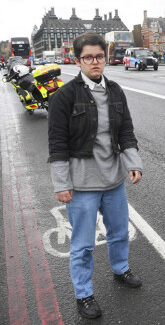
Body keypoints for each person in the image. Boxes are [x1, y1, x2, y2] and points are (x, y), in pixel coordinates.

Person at [48, 31, 143, 319]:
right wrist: (61, 183)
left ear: (105, 58)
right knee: (83, 243)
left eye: (99, 56)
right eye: (88, 57)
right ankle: (84, 294)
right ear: (78, 60)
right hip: (82, 183)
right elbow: (58, 143)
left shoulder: (115, 90)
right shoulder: (64, 97)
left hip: (113, 179)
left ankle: (120, 268)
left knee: (118, 232)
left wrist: (133, 163)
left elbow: (126, 130)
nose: (94, 62)